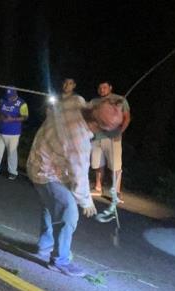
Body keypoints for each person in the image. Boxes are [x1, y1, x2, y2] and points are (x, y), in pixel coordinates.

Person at [26, 78, 124, 277]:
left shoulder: (76, 101)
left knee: (51, 203)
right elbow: (79, 177)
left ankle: (45, 244)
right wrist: (86, 202)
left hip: (41, 157)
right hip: (45, 170)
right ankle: (60, 260)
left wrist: (112, 107)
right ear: (98, 127)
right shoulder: (79, 141)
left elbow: (69, 103)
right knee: (69, 211)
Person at [90, 81, 131, 198]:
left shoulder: (119, 99)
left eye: (104, 87)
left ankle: (116, 192)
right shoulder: (94, 102)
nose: (102, 89)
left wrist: (120, 132)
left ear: (110, 88)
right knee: (97, 164)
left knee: (115, 165)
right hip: (97, 137)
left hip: (113, 137)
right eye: (100, 87)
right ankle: (98, 187)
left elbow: (127, 118)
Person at [0, 89, 28, 179]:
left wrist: (13, 119)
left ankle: (13, 172)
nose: (9, 98)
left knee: (12, 153)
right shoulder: (1, 100)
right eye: (8, 96)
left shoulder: (21, 103)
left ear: (15, 94)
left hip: (14, 132)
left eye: (11, 96)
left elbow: (25, 117)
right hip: (1, 130)